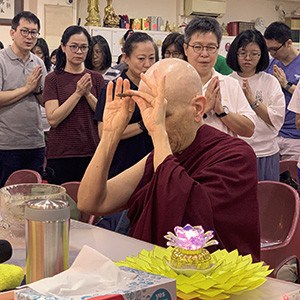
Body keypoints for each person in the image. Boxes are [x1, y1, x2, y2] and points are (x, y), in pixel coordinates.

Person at [78, 58, 261, 262]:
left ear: (198, 108)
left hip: (213, 284)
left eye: (163, 116)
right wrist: (111, 134)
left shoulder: (236, 156)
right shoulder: (164, 155)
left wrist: (158, 133)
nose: (151, 129)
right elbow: (91, 202)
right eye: (150, 117)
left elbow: (192, 230)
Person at [94, 32, 156, 233]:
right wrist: (143, 126)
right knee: (118, 229)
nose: (147, 64)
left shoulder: (155, 87)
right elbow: (105, 133)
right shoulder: (115, 87)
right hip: (121, 167)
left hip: (151, 168)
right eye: (141, 58)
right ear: (126, 58)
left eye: (152, 58)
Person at [43, 25, 104, 184]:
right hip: (61, 153)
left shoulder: (96, 79)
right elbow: (53, 119)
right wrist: (77, 93)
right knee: (61, 204)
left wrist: (87, 94)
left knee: (90, 205)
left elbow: (104, 114)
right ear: (63, 47)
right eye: (74, 47)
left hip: (91, 149)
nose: (79, 52)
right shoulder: (53, 79)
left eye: (83, 47)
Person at [227, 30, 285, 181]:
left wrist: (253, 101)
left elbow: (276, 119)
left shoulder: (270, 82)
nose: (248, 58)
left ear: (262, 56)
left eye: (254, 54)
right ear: (235, 53)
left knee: (266, 201)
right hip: (235, 154)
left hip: (266, 152)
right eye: (242, 53)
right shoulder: (227, 82)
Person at [183, 17, 255, 137]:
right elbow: (168, 130)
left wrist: (221, 111)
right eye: (197, 47)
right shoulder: (174, 83)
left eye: (211, 47)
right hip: (188, 155)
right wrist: (204, 110)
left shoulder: (230, 84)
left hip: (225, 155)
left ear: (218, 49)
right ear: (186, 49)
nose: (204, 54)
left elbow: (249, 130)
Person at [0, 11, 47, 187]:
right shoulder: (2, 60)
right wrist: (27, 88)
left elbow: (43, 100)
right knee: (6, 198)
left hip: (35, 142)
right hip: (6, 144)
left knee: (32, 196)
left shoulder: (38, 63)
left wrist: (38, 90)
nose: (29, 37)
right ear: (13, 33)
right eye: (24, 31)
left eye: (34, 32)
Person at [264, 22, 300, 161]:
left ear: (288, 43)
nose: (272, 54)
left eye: (275, 49)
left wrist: (286, 84)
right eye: (269, 50)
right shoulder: (272, 64)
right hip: (274, 133)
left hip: (295, 138)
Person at [32, 37, 52, 137]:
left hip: (49, 125)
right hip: (33, 125)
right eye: (33, 52)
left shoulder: (52, 73)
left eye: (39, 52)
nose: (36, 56)